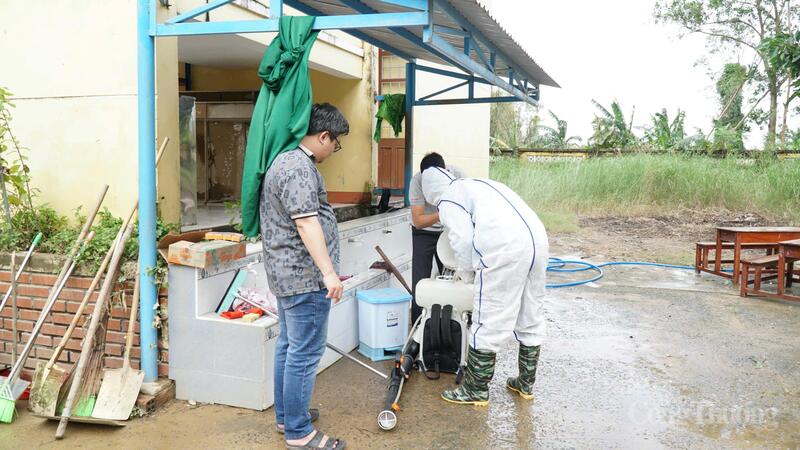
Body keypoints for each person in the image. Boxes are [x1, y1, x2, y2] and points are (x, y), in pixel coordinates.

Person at [420, 166, 548, 406]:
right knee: (530, 313)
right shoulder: (478, 185)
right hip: (538, 243)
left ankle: (475, 389)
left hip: (504, 248)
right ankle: (525, 383)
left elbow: (463, 240)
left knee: (488, 317)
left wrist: (468, 276)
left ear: (430, 191)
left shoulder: (448, 198)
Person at [260, 103, 348, 449]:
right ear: (323, 136)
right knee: (305, 353)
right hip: (304, 277)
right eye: (335, 142)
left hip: (287, 274)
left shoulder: (286, 160)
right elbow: (306, 221)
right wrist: (329, 273)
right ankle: (299, 433)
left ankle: (287, 417)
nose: (334, 149)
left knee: (289, 346)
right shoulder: (298, 167)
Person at [408, 153, 466, 324]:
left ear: (444, 170)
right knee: (420, 280)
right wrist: (443, 213)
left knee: (454, 279)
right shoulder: (417, 181)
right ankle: (419, 324)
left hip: (449, 233)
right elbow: (418, 221)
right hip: (423, 233)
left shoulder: (458, 176)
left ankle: (455, 322)